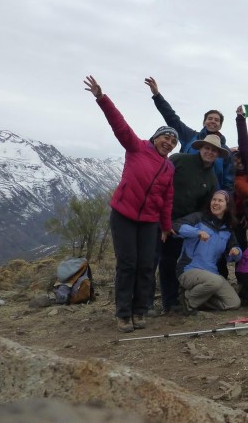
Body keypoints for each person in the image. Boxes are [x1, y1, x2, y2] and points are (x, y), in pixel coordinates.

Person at [84, 76, 176, 333]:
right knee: (128, 264)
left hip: (149, 221)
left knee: (147, 265)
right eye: (165, 137)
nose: (168, 142)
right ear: (156, 138)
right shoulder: (136, 147)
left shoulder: (169, 167)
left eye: (172, 141)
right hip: (123, 215)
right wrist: (102, 98)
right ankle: (123, 313)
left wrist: (166, 227)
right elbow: (119, 124)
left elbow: (167, 199)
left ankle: (140, 310)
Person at [160, 134, 228, 314]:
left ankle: (170, 302)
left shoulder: (212, 179)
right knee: (150, 260)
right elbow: (160, 181)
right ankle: (144, 303)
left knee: (171, 261)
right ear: (200, 148)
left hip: (184, 226)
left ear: (218, 154)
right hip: (161, 217)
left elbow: (205, 209)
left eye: (214, 150)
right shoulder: (179, 160)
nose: (210, 152)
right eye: (207, 148)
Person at [145, 77, 233, 191]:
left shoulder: (225, 152)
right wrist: (157, 96)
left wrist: (222, 198)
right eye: (210, 118)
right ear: (204, 122)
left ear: (220, 125)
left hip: (208, 199)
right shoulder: (190, 136)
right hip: (180, 191)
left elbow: (228, 180)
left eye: (217, 120)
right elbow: (172, 118)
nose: (213, 121)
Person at [174, 190, 243, 314]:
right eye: (214, 200)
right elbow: (176, 226)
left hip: (211, 273)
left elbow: (235, 250)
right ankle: (188, 300)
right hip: (188, 270)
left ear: (227, 206)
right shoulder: (198, 218)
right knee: (214, 281)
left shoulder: (228, 229)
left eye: (220, 201)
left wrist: (236, 252)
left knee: (233, 302)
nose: (216, 203)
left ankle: (197, 300)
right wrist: (197, 232)